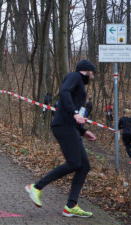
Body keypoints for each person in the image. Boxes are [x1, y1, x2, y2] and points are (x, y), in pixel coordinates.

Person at [25, 60, 97, 218]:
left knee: (84, 166)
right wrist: (75, 113)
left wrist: (83, 131)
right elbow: (64, 92)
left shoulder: (80, 85)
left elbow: (75, 109)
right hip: (63, 125)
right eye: (93, 72)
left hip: (71, 127)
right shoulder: (74, 76)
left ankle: (71, 206)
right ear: (87, 70)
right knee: (74, 163)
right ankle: (36, 187)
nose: (93, 76)